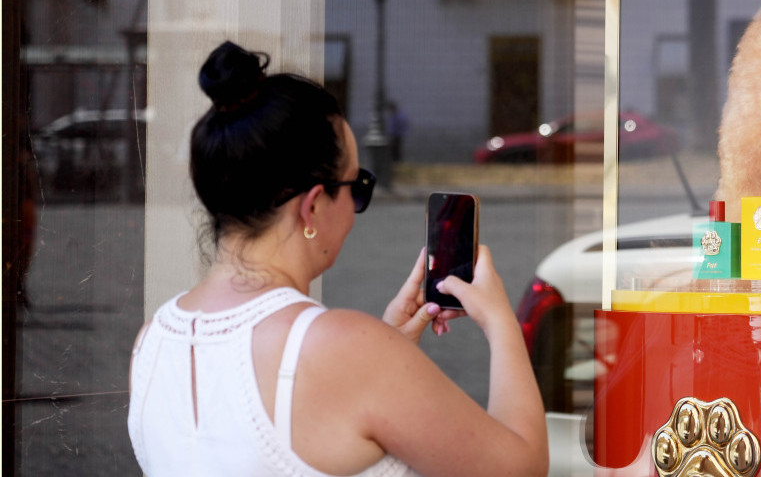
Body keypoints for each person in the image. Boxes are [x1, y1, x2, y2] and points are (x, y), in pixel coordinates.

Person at [127, 41, 547, 477]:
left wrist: (387, 354)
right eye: (357, 186)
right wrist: (501, 323)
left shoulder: (151, 343)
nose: (357, 207)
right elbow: (523, 468)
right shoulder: (348, 351)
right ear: (311, 207)